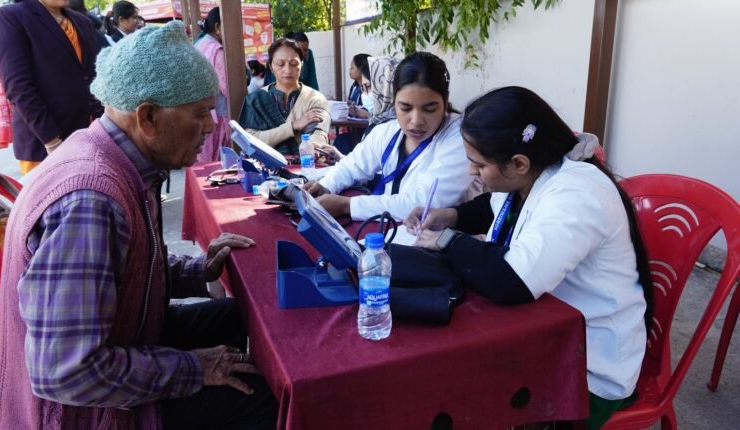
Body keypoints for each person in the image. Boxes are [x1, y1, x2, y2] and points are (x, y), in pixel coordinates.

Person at [0, 21, 278, 429]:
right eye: (199, 113)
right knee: (261, 397)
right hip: (78, 414)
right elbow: (66, 373)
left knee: (238, 318)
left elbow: (123, 267)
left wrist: (197, 271)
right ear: (148, 117)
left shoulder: (116, 158)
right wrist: (194, 369)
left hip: (122, 341)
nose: (211, 126)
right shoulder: (91, 199)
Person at [405, 86, 653, 430]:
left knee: (453, 394)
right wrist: (450, 216)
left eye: (479, 165)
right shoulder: (532, 173)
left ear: (519, 163)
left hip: (586, 369)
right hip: (541, 334)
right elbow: (493, 207)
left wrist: (446, 241)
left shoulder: (576, 194)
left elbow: (512, 280)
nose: (471, 172)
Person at [304, 52, 474, 222]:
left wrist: (347, 205)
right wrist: (326, 185)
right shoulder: (388, 131)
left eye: (429, 109)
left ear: (445, 101)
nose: (416, 121)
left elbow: (425, 203)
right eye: (405, 108)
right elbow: (351, 166)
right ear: (394, 103)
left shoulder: (460, 138)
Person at [0, 0, 102, 175]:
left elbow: (93, 75)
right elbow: (18, 87)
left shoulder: (82, 21)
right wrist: (52, 141)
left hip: (88, 136)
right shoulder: (10, 17)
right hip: (45, 144)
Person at [238, 37, 331, 155]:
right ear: (271, 67)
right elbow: (249, 141)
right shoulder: (256, 100)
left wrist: (313, 147)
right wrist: (293, 126)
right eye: (280, 64)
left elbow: (318, 134)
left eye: (293, 64)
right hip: (264, 165)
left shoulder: (315, 99)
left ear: (301, 65)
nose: (287, 70)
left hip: (306, 164)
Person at [194, 7, 230, 163]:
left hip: (198, 112)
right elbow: (228, 88)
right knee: (219, 161)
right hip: (217, 116)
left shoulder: (199, 44)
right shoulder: (217, 50)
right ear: (217, 27)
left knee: (203, 159)